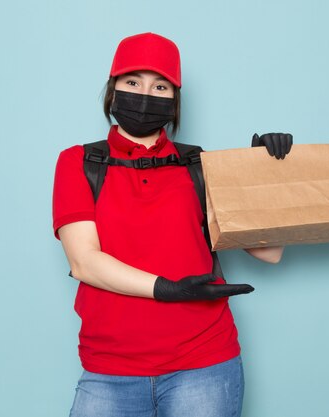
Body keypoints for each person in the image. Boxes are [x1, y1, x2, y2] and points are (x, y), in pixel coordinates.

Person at [52, 32, 293, 417]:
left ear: (174, 100)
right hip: (109, 368)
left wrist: (266, 175)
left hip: (204, 364)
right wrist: (166, 289)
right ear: (112, 90)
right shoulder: (78, 163)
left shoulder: (201, 165)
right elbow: (84, 262)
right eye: (133, 82)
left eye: (160, 86)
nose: (146, 95)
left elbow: (269, 252)